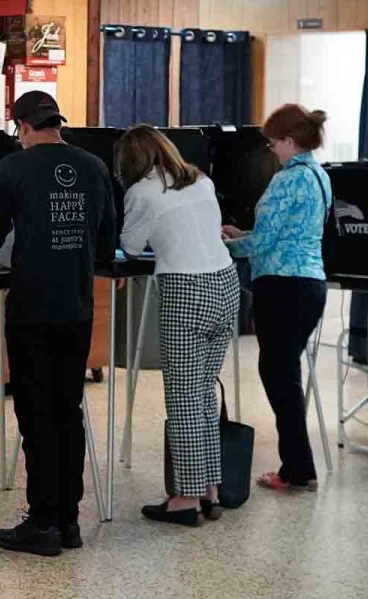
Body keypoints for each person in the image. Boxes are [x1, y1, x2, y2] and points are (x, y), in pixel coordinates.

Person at [0, 91, 115, 557]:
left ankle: (42, 523)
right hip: (76, 309)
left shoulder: (13, 168)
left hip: (31, 308)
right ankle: (69, 521)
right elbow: (105, 243)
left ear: (21, 127)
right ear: (58, 122)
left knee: (36, 416)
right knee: (67, 411)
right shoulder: (95, 167)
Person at [117, 125, 239, 526]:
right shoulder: (201, 180)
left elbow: (131, 247)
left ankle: (185, 499)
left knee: (183, 399)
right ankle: (210, 488)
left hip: (186, 289)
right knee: (204, 393)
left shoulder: (141, 192)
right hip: (226, 284)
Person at [223, 105, 331, 493]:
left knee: (280, 378)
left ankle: (297, 471)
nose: (272, 150)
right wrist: (243, 234)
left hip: (283, 287)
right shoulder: (319, 176)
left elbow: (265, 242)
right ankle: (299, 466)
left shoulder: (287, 181)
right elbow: (285, 233)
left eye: (273, 143)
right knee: (286, 376)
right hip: (309, 283)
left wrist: (228, 243)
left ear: (289, 140)